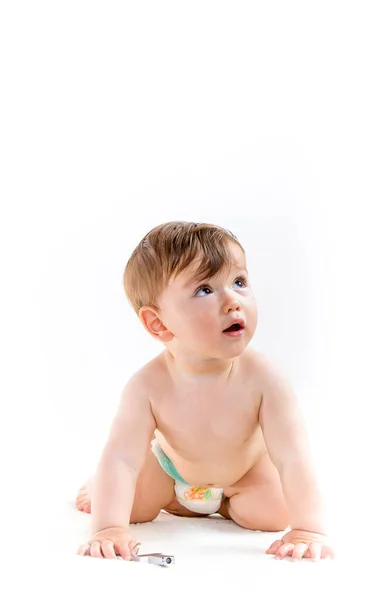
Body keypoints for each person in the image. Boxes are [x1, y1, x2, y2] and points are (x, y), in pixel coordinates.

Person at [76, 221, 335, 562]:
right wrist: (108, 527)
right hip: (172, 470)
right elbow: (121, 458)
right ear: (158, 323)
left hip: (242, 475)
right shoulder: (147, 386)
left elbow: (292, 457)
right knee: (130, 507)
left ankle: (217, 503)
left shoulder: (266, 380)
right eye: (204, 290)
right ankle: (162, 497)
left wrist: (308, 529)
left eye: (239, 282)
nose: (232, 301)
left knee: (274, 513)